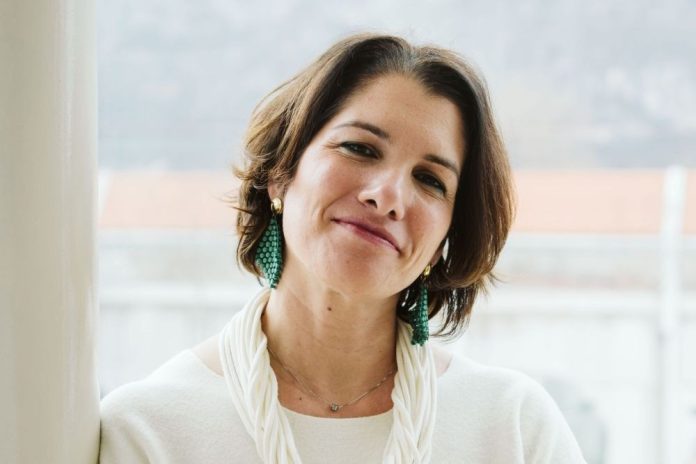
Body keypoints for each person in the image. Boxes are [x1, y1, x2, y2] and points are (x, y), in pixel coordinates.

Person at [99, 33, 588, 463]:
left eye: (430, 180)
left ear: (446, 237)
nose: (388, 196)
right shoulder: (151, 428)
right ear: (281, 172)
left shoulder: (513, 428)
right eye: (360, 148)